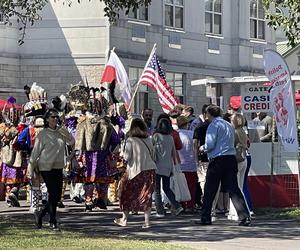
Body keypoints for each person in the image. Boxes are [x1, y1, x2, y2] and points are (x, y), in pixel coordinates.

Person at [198, 104, 251, 226]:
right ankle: (244, 216)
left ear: (208, 114)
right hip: (230, 158)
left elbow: (210, 144)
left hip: (217, 159)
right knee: (233, 189)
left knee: (210, 189)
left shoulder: (214, 125)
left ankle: (206, 217)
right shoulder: (228, 124)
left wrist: (202, 148)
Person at [28, 109, 75, 230]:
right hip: (45, 167)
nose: (55, 119)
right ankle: (52, 221)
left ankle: (41, 214)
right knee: (53, 193)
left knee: (57, 195)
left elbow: (71, 141)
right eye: (52, 117)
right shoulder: (42, 134)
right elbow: (35, 153)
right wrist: (31, 168)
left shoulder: (60, 132)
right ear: (47, 119)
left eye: (56, 117)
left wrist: (63, 129)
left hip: (58, 166)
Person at [114, 118, 156, 228]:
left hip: (135, 171)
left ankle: (124, 219)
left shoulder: (130, 140)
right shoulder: (149, 139)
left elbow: (127, 157)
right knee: (146, 196)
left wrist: (122, 153)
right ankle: (147, 222)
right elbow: (153, 153)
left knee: (126, 193)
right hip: (149, 169)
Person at [153, 118, 184, 217]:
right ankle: (177, 206)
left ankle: (160, 211)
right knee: (167, 188)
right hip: (168, 166)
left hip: (157, 165)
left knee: (157, 189)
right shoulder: (170, 137)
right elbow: (174, 153)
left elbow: (152, 151)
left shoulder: (156, 136)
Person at [227, 113, 249, 220]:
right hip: (243, 158)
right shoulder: (243, 131)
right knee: (240, 187)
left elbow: (231, 144)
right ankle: (243, 211)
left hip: (236, 160)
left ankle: (235, 212)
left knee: (235, 189)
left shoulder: (235, 132)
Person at [176, 115, 198, 211]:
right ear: (186, 124)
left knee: (180, 186)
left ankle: (181, 204)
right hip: (191, 163)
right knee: (191, 186)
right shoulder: (192, 134)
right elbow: (196, 148)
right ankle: (190, 204)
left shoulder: (175, 134)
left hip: (179, 163)